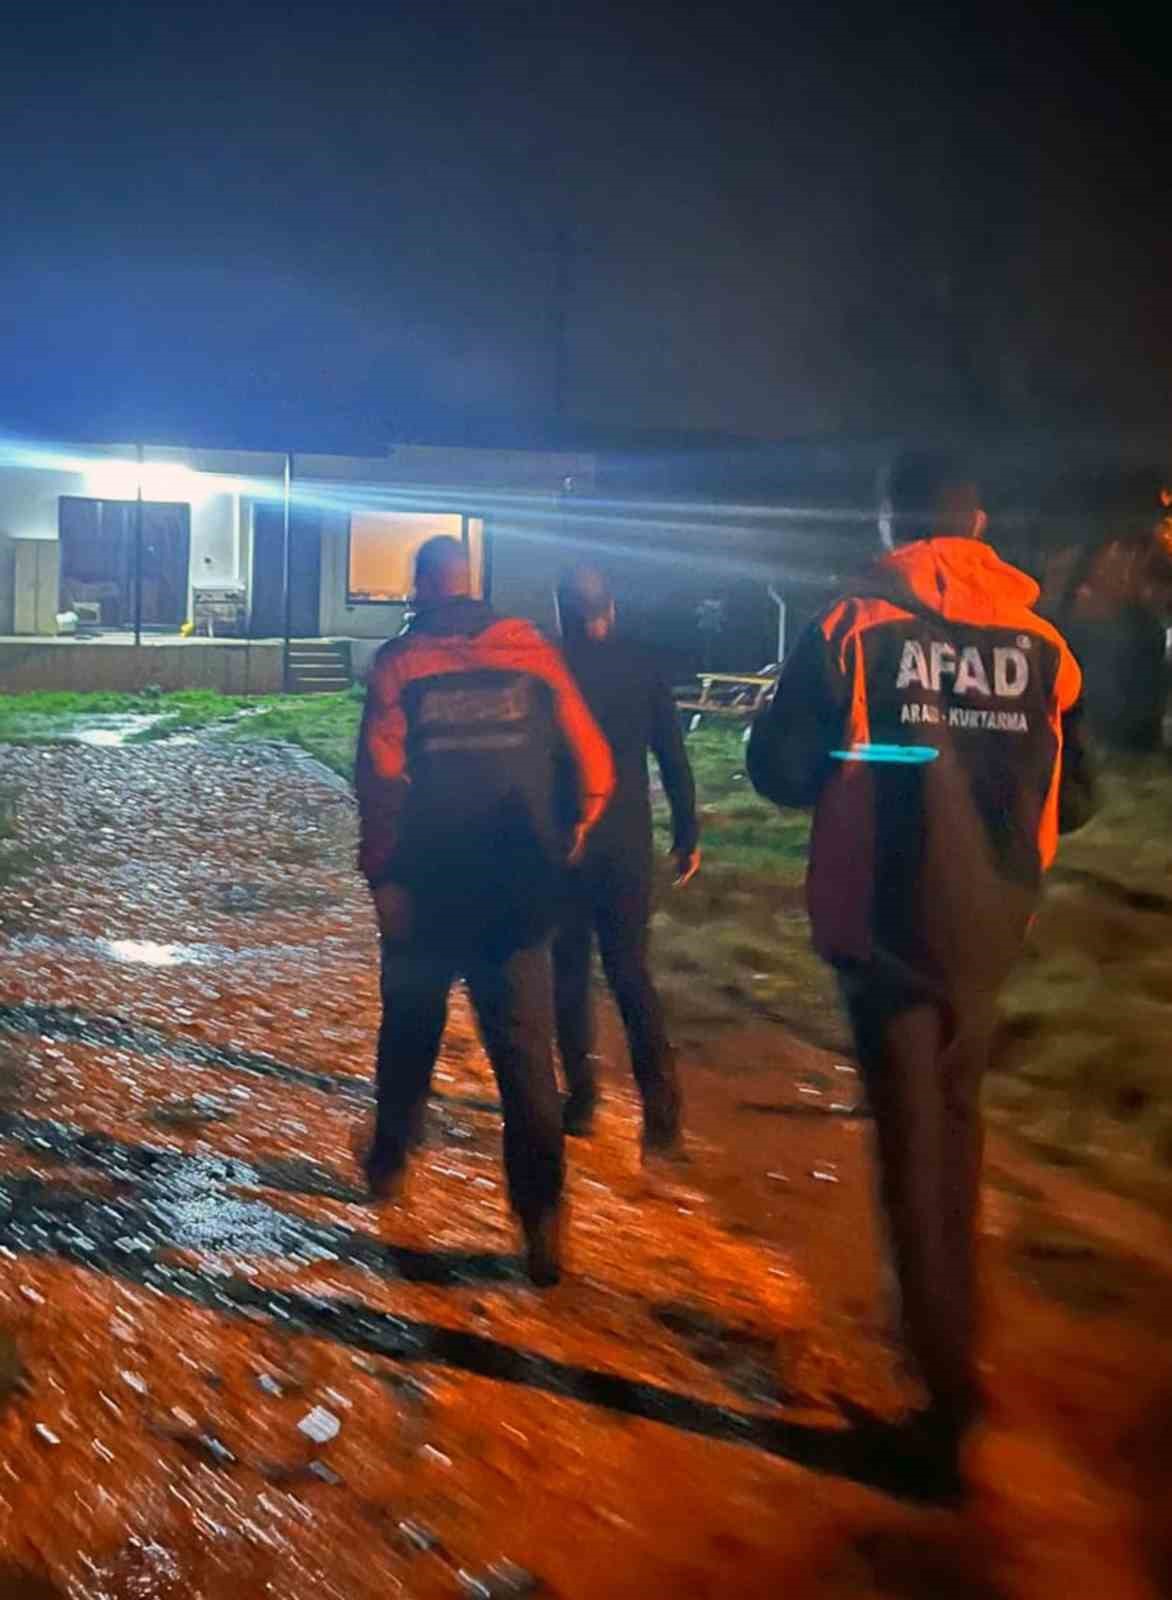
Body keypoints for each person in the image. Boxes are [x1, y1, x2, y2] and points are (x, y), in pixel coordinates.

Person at [747, 451, 1096, 1485]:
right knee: (955, 1127)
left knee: (911, 1147)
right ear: (977, 523)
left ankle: (944, 1407)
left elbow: (776, 769)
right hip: (991, 919)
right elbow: (1077, 795)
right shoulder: (1044, 644)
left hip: (885, 916)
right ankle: (955, 1361)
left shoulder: (851, 626)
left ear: (890, 524)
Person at [355, 537, 614, 1286]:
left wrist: (383, 877)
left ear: (420, 588)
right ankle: (542, 1223)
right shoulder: (533, 653)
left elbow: (381, 782)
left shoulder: (400, 664)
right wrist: (574, 826)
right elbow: (595, 767)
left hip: (429, 886)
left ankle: (390, 1160)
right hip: (516, 894)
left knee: (410, 1028)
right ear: (470, 585)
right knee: (527, 1061)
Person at [553, 566, 700, 1156]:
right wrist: (686, 832)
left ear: (562, 612)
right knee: (630, 972)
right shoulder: (642, 666)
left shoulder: (549, 669)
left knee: (568, 973)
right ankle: (662, 1114)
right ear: (609, 610)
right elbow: (672, 755)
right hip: (627, 843)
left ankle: (582, 1097)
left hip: (566, 842)